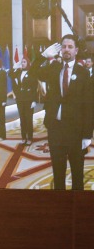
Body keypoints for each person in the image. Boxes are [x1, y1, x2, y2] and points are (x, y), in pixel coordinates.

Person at [33, 35, 93, 190]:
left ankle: (77, 208)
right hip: (56, 129)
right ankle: (60, 207)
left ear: (76, 50)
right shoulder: (54, 68)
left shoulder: (84, 73)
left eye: (70, 47)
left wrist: (87, 135)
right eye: (64, 46)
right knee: (58, 173)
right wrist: (42, 56)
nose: (66, 50)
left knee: (77, 174)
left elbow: (89, 105)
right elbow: (33, 73)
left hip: (76, 131)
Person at [10, 59, 36, 144]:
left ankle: (30, 138)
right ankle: (24, 137)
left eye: (24, 62)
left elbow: (34, 87)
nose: (23, 63)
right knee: (22, 119)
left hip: (29, 99)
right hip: (20, 99)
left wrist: (34, 100)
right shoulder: (18, 73)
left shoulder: (32, 73)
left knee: (29, 119)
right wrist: (14, 67)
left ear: (28, 63)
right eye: (22, 62)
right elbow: (10, 75)